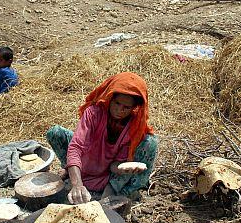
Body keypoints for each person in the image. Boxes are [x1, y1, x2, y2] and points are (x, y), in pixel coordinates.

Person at [46, 72, 158, 205]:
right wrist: (77, 184)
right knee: (55, 132)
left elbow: (113, 165)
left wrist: (122, 169)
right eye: (117, 103)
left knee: (151, 142)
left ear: (134, 108)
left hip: (107, 173)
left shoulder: (132, 127)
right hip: (88, 158)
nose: (119, 110)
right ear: (110, 98)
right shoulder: (94, 113)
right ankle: (72, 171)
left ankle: (118, 193)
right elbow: (76, 147)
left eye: (126, 107)